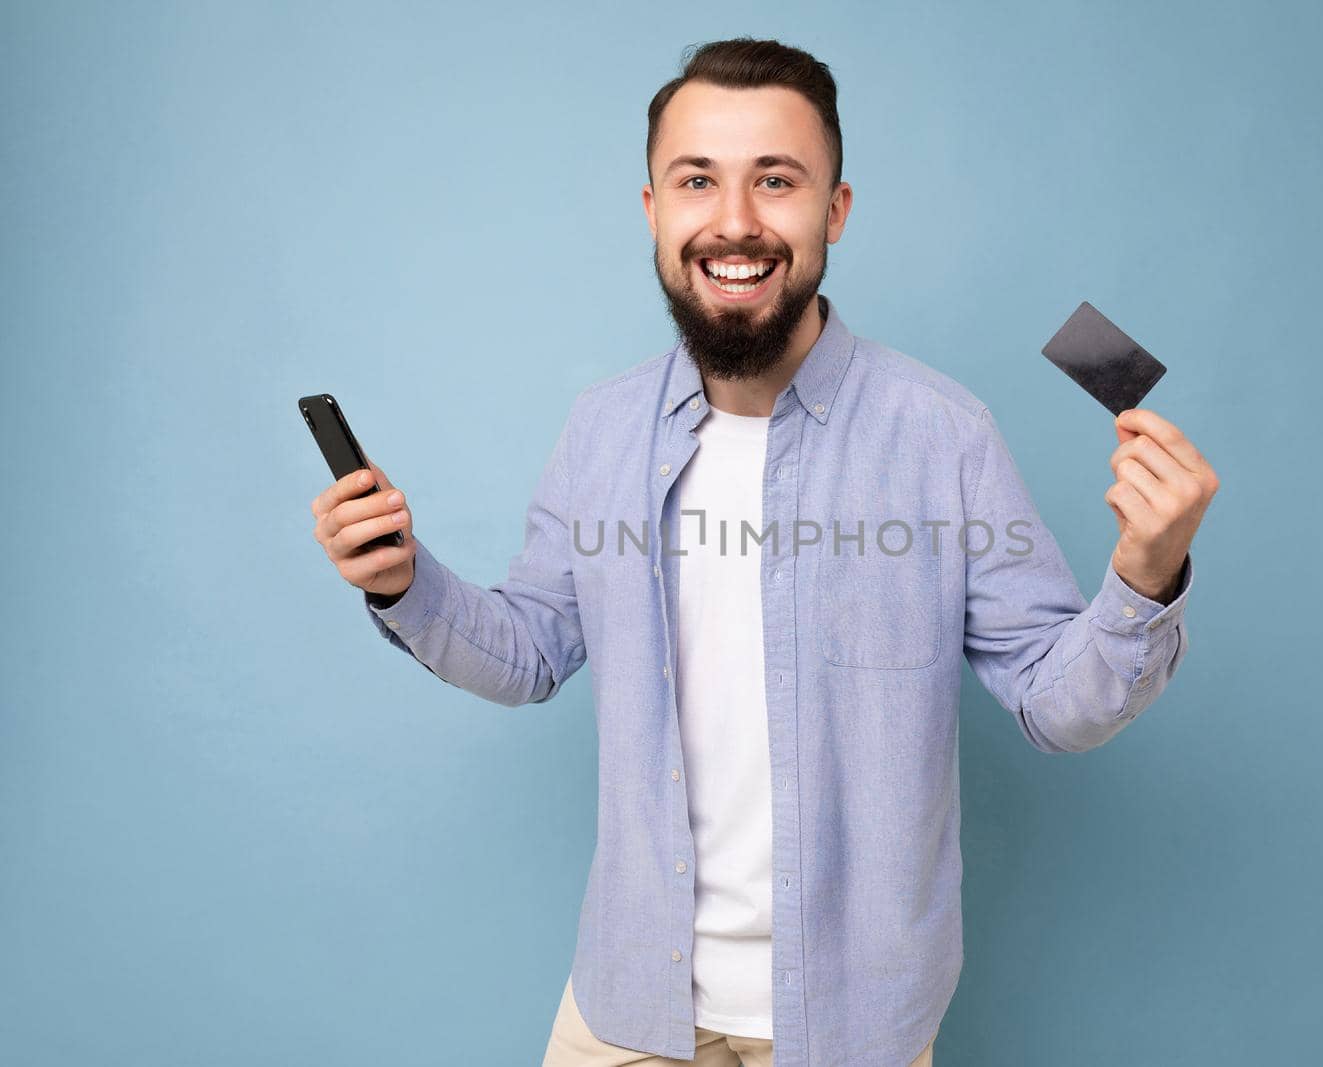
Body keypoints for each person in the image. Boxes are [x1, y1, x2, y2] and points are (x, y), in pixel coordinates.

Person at [309, 36, 1218, 1067]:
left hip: (853, 1026)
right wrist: (402, 581)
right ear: (653, 208)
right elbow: (527, 652)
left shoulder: (942, 434)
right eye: (698, 180)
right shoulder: (600, 429)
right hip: (626, 1008)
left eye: (775, 181)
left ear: (833, 210)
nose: (734, 221)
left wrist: (1147, 574)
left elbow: (1060, 705)